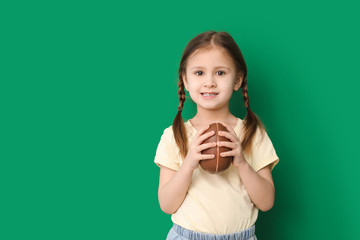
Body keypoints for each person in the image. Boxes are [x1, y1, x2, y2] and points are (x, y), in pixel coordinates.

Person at [154, 30, 279, 240]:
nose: (209, 82)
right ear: (185, 80)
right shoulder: (175, 135)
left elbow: (266, 203)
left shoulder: (252, 133)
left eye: (220, 73)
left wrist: (241, 162)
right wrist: (190, 162)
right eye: (199, 73)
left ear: (238, 79)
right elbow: (167, 205)